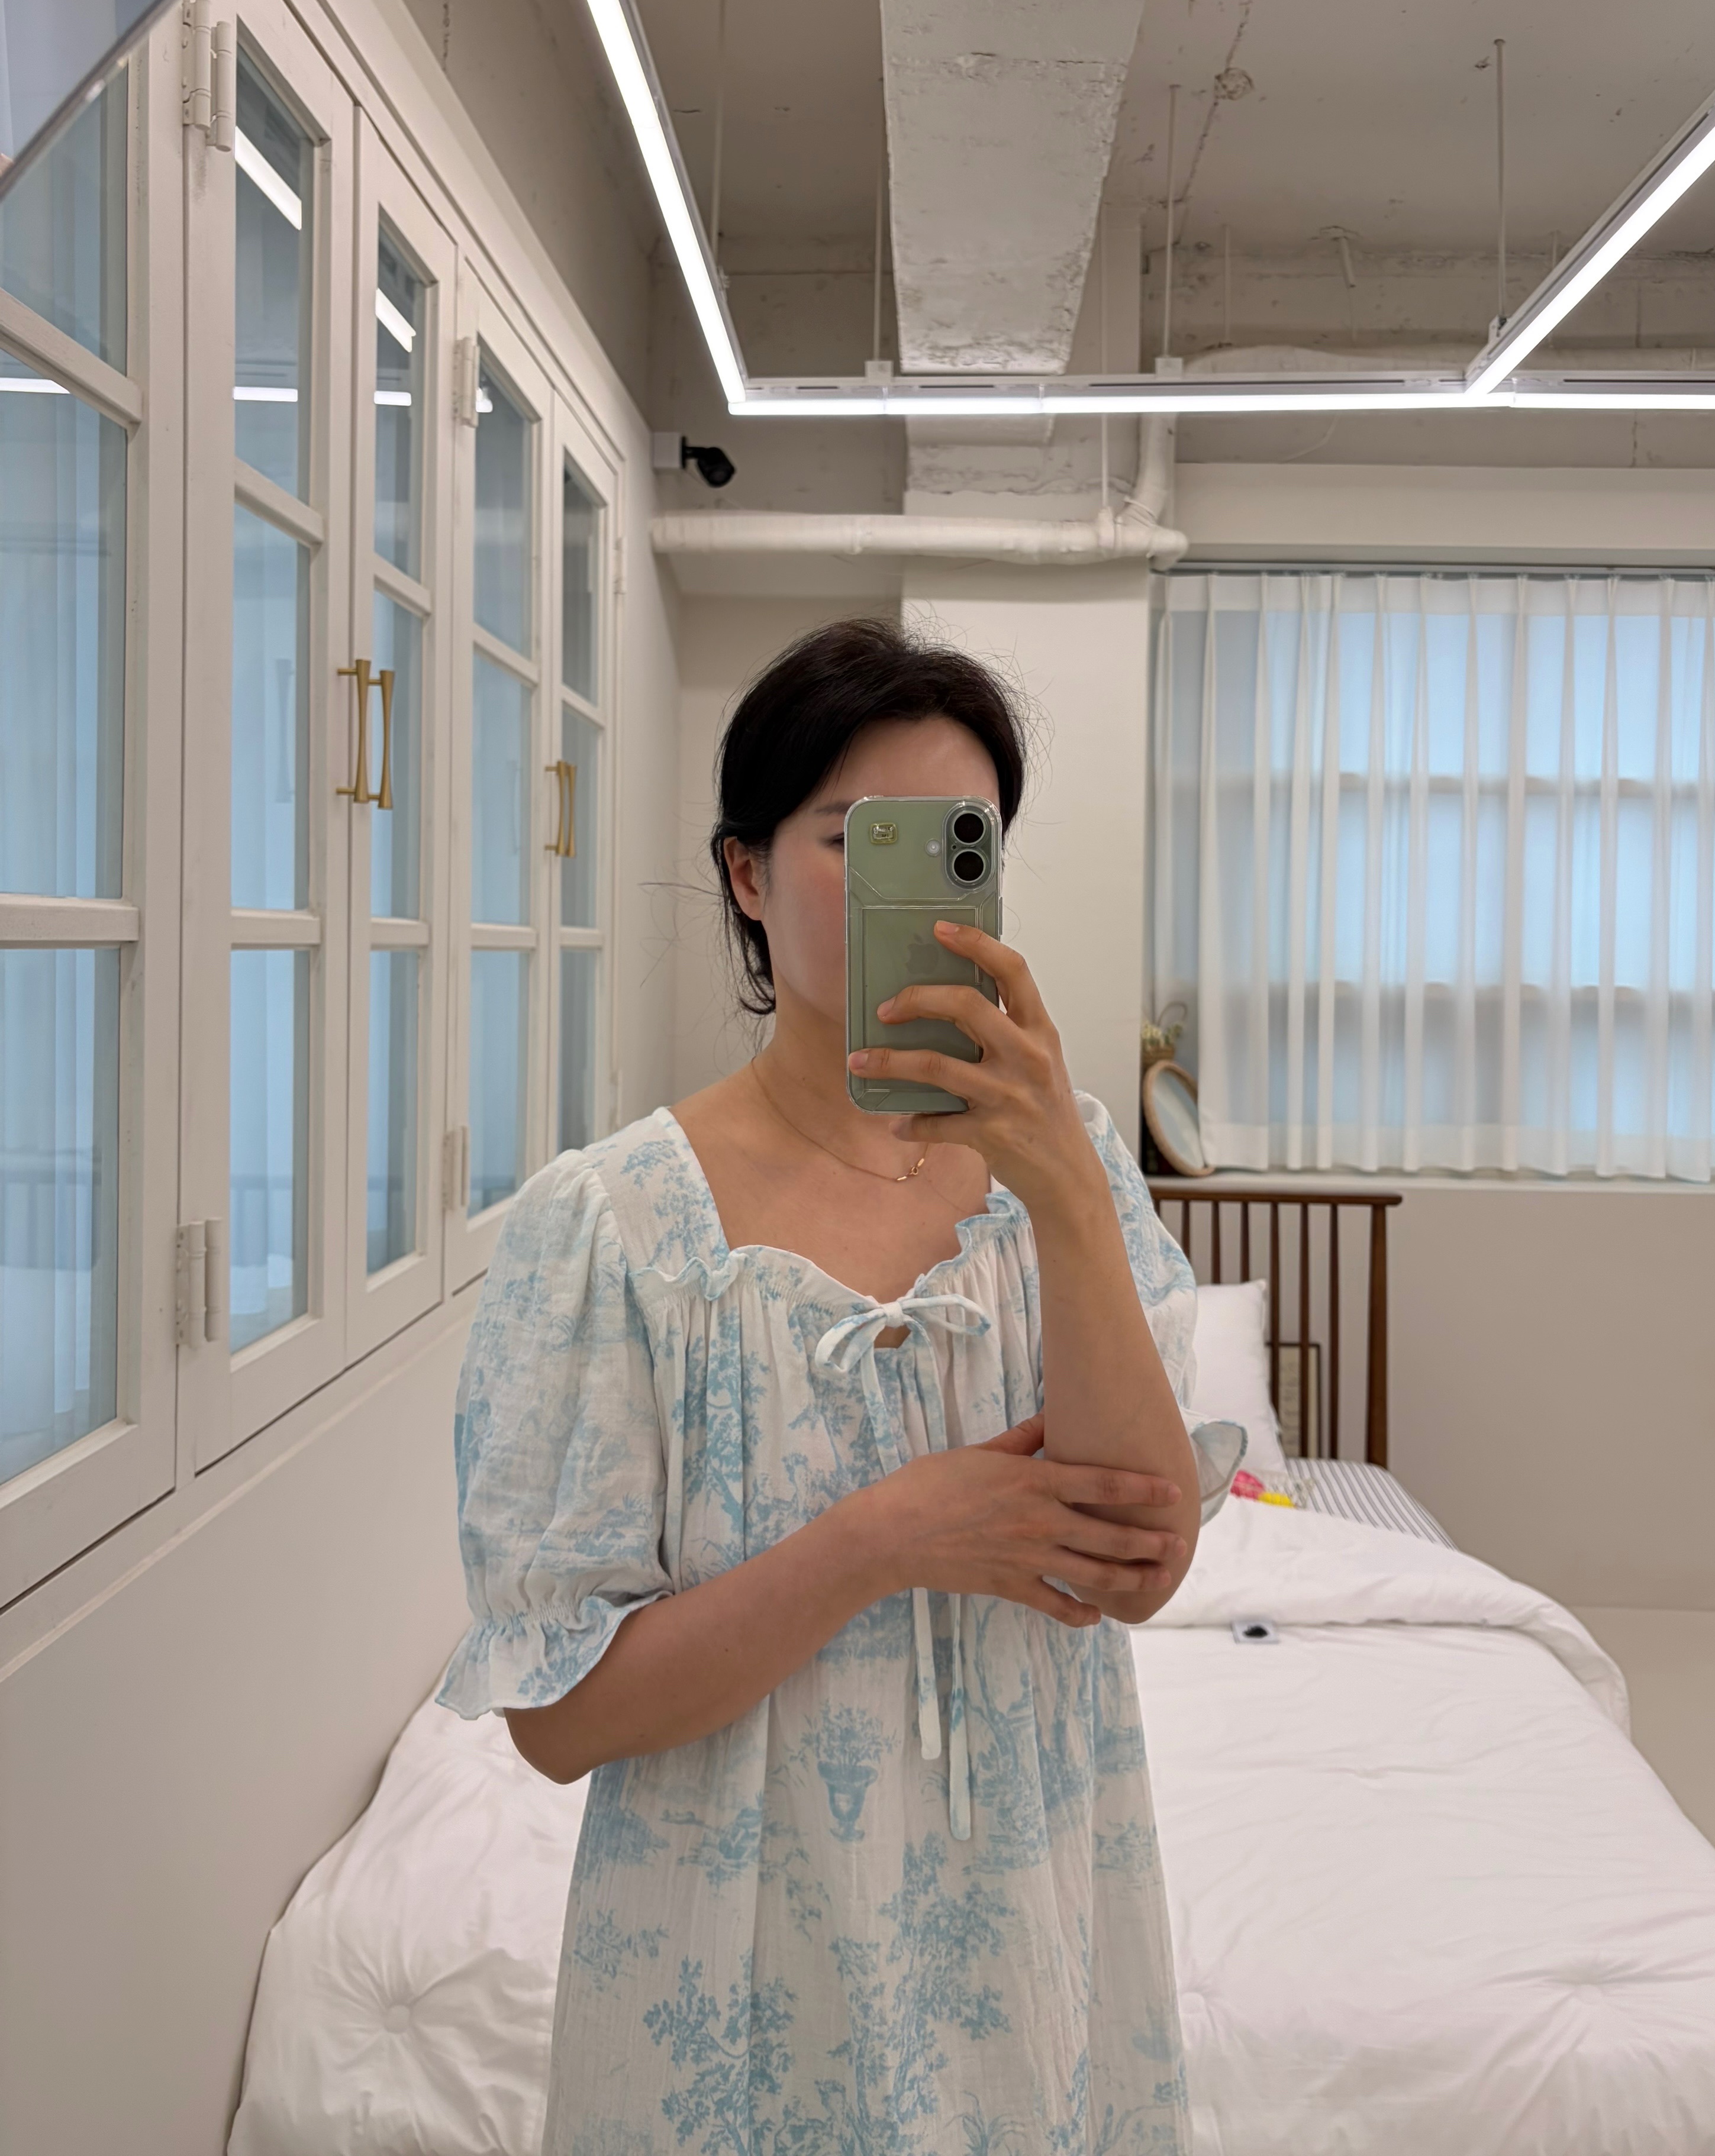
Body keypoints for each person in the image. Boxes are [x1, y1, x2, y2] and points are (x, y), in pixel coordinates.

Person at [438, 618, 1222, 2155]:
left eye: (954, 845)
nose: (906, 894)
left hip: (1028, 1919)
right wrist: (887, 1538)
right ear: (744, 873)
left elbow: (1142, 1562)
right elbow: (560, 1720)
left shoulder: (1066, 1174)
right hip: (726, 1962)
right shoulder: (615, 1227)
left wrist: (1065, 1190)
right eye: (854, 840)